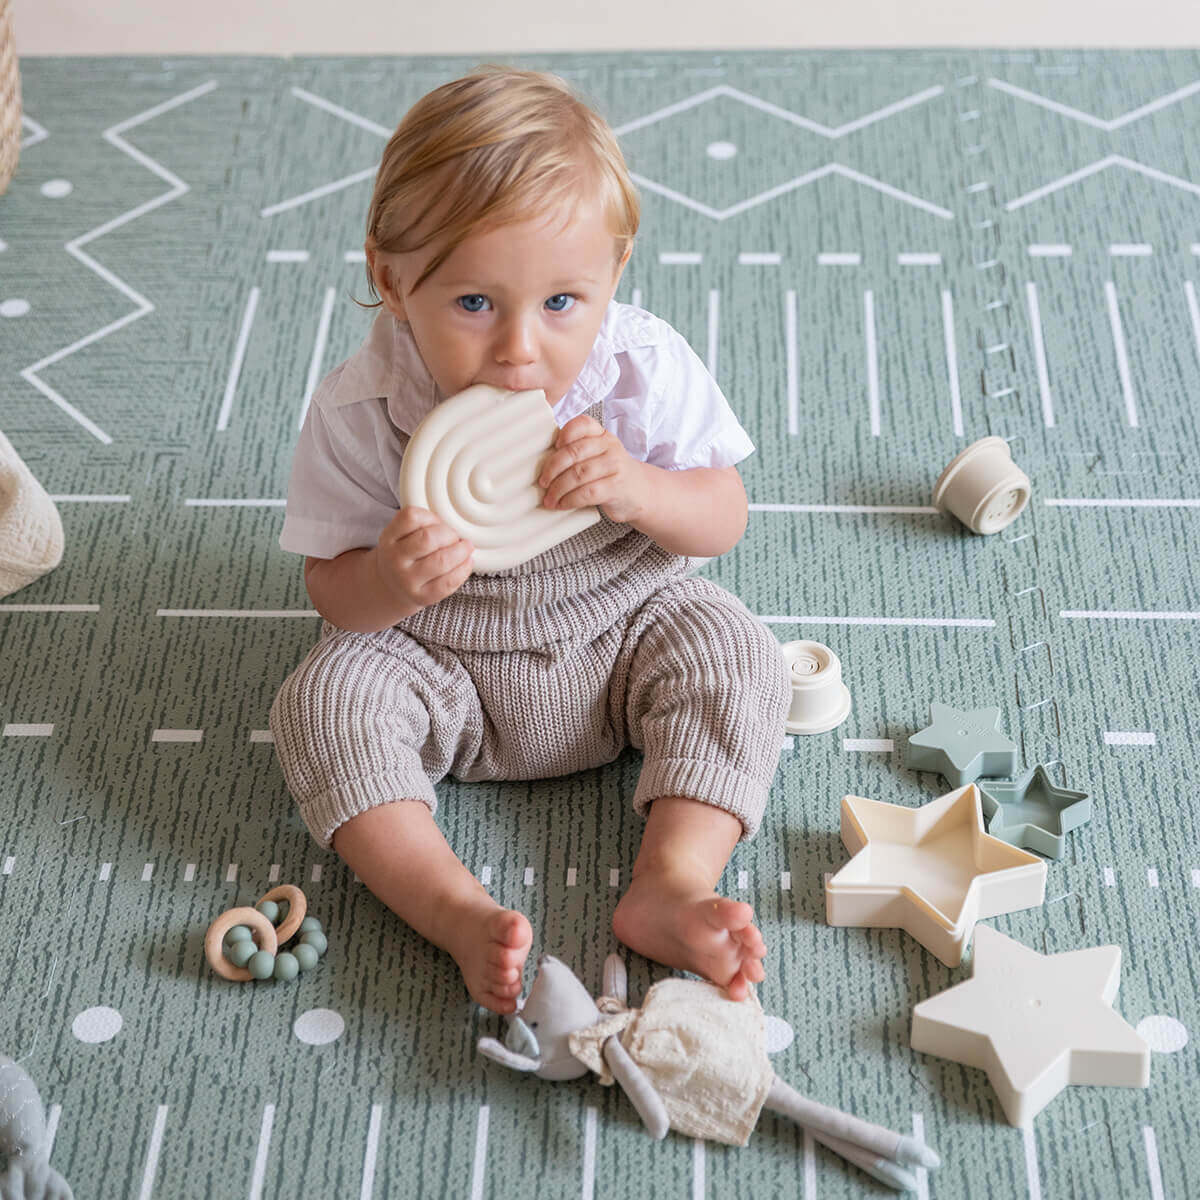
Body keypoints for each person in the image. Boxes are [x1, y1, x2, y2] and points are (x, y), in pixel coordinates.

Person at [269, 64, 790, 1015]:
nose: (519, 348)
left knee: (738, 650)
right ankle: (454, 908)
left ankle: (670, 880)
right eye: (474, 304)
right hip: (441, 662)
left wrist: (638, 488)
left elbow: (725, 514)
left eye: (562, 303)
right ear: (392, 280)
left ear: (613, 273)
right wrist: (389, 577)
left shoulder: (637, 367)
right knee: (324, 698)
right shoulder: (363, 407)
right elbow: (332, 592)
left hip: (629, 628)